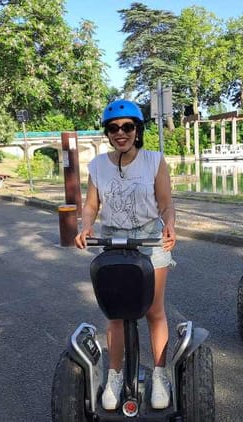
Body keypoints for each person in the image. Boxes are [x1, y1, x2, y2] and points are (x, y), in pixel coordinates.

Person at [75, 99, 177, 410]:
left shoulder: (154, 161)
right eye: (114, 128)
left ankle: (159, 374)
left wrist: (170, 226)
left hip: (148, 238)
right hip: (113, 240)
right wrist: (86, 227)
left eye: (127, 127)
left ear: (137, 130)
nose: (121, 133)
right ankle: (115, 375)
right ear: (107, 132)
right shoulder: (97, 165)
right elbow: (92, 204)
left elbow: (166, 203)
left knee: (153, 310)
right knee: (116, 314)